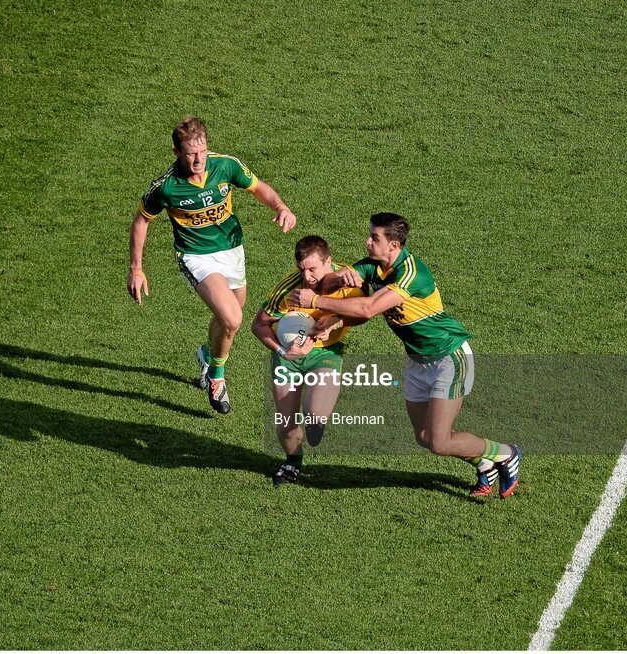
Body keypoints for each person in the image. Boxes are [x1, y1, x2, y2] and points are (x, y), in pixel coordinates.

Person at [288, 213, 522, 498]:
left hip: (449, 357)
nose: (368, 241)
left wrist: (317, 302)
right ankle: (485, 463)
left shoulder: (411, 273)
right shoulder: (373, 266)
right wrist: (338, 280)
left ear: (394, 245)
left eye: (375, 238)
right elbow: (325, 286)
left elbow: (367, 309)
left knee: (439, 441)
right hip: (417, 361)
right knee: (424, 438)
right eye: (370, 235)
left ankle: (507, 454)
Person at [127, 116, 297, 414]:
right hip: (195, 256)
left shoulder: (225, 165)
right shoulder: (167, 187)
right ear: (177, 152)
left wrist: (281, 206)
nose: (198, 159)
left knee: (229, 318)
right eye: (191, 153)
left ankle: (207, 354)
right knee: (232, 318)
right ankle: (218, 378)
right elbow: (142, 220)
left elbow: (257, 187)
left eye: (202, 151)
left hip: (232, 250)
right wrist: (136, 268)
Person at [251, 236, 366, 486]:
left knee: (314, 415)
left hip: (326, 351)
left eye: (313, 269)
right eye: (302, 269)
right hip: (288, 356)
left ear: (329, 262)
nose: (308, 277)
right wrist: (282, 351)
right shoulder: (288, 289)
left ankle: (316, 423)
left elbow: (365, 312)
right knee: (286, 422)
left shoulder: (350, 282)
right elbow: (258, 325)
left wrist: (337, 321)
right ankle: (292, 461)